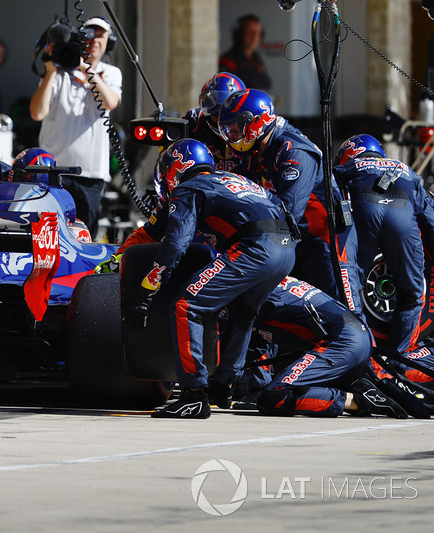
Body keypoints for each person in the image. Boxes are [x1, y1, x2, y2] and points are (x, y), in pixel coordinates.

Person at [119, 139, 296, 419]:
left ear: (175, 168)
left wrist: (148, 285)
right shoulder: (234, 179)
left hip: (256, 247)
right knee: (243, 316)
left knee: (186, 306)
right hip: (286, 248)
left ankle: (193, 394)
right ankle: (222, 387)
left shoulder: (189, 188)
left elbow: (175, 246)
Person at [218, 88, 365, 321]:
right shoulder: (259, 148)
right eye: (228, 129)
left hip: (328, 238)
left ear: (256, 122)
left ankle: (370, 358)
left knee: (347, 316)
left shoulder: (293, 151)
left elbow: (289, 211)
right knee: (293, 314)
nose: (231, 135)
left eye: (235, 129)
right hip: (297, 239)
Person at [246, 276, 406, 418]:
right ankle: (357, 387)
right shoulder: (272, 276)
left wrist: (225, 380)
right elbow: (256, 342)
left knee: (275, 397)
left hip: (342, 343)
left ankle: (360, 400)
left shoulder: (256, 292)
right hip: (356, 337)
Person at [334, 134, 434, 356]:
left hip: (364, 212)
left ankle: (363, 357)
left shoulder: (348, 167)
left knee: (351, 290)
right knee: (412, 294)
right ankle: (401, 361)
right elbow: (429, 218)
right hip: (403, 217)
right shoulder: (406, 170)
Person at [29, 16, 122, 240]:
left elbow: (110, 102)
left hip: (90, 174)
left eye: (100, 35)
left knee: (85, 237)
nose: (94, 40)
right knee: (48, 236)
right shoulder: (58, 73)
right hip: (53, 172)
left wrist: (85, 68)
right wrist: (51, 69)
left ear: (109, 41)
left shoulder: (110, 73)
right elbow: (37, 112)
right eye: (89, 34)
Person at [183, 72, 246, 173]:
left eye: (226, 116)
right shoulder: (194, 121)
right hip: (203, 185)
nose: (220, 122)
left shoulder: (251, 126)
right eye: (215, 115)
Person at [218, 14, 271, 91]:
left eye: (258, 33)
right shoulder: (228, 61)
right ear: (239, 34)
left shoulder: (255, 59)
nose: (255, 37)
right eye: (250, 32)